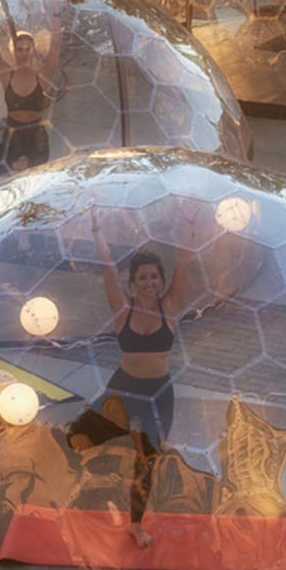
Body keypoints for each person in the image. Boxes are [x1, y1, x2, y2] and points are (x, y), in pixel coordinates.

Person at [67, 206, 196, 546]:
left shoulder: (170, 308)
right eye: (143, 278)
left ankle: (135, 524)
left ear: (161, 280)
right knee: (77, 437)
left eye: (155, 277)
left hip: (158, 392)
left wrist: (190, 225)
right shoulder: (122, 309)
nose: (150, 283)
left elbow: (184, 263)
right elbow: (108, 268)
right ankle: (82, 490)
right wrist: (96, 232)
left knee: (148, 460)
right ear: (133, 282)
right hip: (123, 388)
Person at [0, 0, 61, 183]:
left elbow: (56, 44)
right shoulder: (6, 75)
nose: (24, 53)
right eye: (20, 49)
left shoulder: (43, 76)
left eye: (28, 48)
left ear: (33, 50)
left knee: (34, 179)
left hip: (36, 136)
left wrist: (55, 12)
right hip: (13, 134)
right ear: (14, 52)